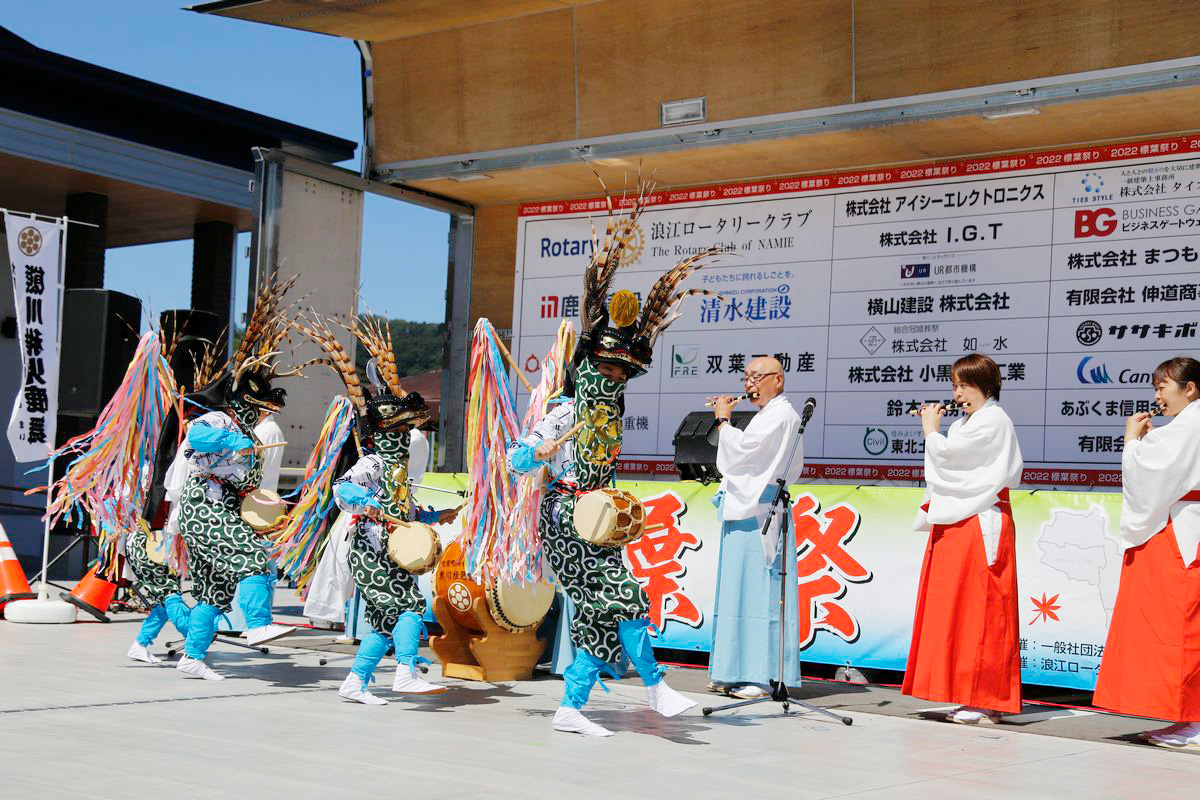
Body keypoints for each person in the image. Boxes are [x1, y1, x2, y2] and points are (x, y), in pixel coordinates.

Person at [508, 199, 716, 736]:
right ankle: (656, 687)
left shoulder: (608, 410)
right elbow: (515, 458)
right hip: (564, 515)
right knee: (624, 595)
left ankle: (570, 710)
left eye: (623, 371)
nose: (615, 376)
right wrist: (540, 453)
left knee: (602, 620)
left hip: (597, 515)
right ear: (589, 366)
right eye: (607, 366)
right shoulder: (566, 409)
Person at [174, 277, 302, 681]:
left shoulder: (249, 436)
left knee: (213, 591)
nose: (266, 416)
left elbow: (242, 484)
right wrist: (233, 440)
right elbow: (197, 435)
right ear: (250, 405)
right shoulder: (221, 420)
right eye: (263, 410)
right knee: (254, 559)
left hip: (225, 507)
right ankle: (258, 624)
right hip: (204, 507)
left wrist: (262, 503)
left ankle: (192, 657)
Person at [902, 353, 1023, 724]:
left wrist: (930, 430)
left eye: (965, 385)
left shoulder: (994, 421)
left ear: (986, 387)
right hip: (961, 520)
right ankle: (965, 692)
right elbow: (951, 459)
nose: (958, 393)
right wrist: (939, 431)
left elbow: (951, 459)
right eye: (955, 385)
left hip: (980, 520)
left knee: (983, 609)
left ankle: (986, 697)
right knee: (957, 609)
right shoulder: (969, 422)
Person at [1093, 356, 1200, 749]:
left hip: (1182, 527)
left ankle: (1194, 719)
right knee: (1176, 624)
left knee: (1184, 624)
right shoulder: (1183, 427)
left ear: (1189, 388)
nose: (1157, 395)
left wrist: (1132, 440)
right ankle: (1185, 716)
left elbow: (1150, 470)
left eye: (1163, 387)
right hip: (1179, 522)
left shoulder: (1190, 425)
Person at [706, 356, 802, 699]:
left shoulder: (782, 414)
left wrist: (722, 419)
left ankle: (761, 677)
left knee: (760, 593)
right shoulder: (767, 415)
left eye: (758, 376)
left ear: (778, 380)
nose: (750, 384)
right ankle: (732, 669)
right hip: (745, 507)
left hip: (761, 511)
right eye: (747, 376)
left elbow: (744, 452)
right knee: (737, 591)